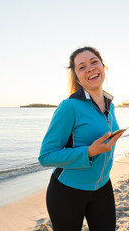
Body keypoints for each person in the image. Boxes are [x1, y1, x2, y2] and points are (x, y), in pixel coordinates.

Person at [38, 46, 124, 231]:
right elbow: (46, 156)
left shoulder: (111, 106)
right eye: (82, 66)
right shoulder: (69, 107)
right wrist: (90, 151)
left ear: (103, 66)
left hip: (103, 187)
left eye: (94, 62)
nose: (91, 68)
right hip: (67, 191)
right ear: (77, 77)